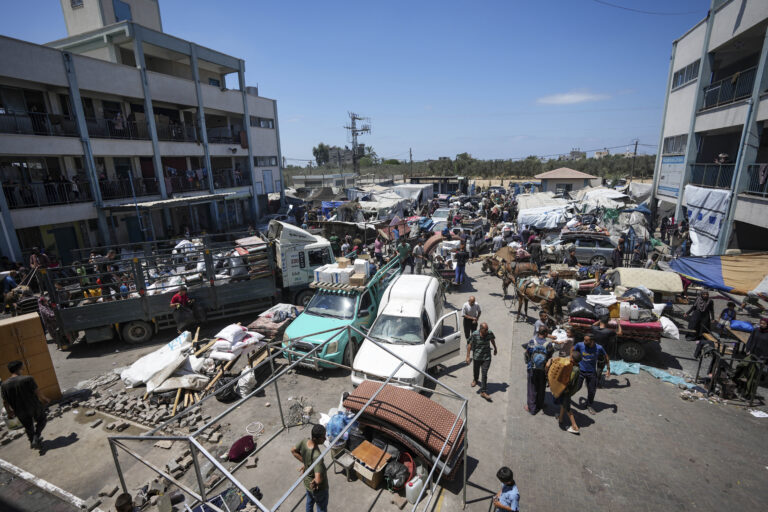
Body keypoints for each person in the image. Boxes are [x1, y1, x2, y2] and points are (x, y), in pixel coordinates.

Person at [1, 360, 50, 450]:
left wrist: (9, 412)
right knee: (42, 420)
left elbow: (5, 401)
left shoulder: (4, 385)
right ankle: (36, 436)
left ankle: (33, 442)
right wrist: (44, 399)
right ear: (19, 368)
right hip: (33, 406)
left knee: (28, 426)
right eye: (22, 364)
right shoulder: (28, 379)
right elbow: (37, 392)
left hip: (19, 410)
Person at [290, 424, 329, 512]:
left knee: (309, 502)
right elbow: (318, 480)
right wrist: (318, 480)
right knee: (321, 507)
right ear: (316, 439)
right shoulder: (316, 456)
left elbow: (293, 450)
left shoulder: (304, 441)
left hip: (307, 483)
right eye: (323, 437)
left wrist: (306, 463)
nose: (325, 439)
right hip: (319, 489)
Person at [547, 347, 583, 435]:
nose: (569, 359)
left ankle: (575, 427)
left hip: (567, 391)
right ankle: (561, 418)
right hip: (568, 390)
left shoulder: (574, 369)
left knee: (567, 408)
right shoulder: (577, 367)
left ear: (573, 360)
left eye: (570, 358)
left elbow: (568, 381)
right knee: (563, 404)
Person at [573, 334, 611, 415]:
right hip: (580, 371)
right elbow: (572, 350)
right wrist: (572, 361)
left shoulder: (599, 348)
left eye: (586, 340)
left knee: (592, 390)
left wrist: (608, 369)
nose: (584, 341)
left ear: (592, 341)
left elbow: (606, 356)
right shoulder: (580, 345)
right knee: (576, 387)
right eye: (584, 339)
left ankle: (589, 405)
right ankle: (566, 398)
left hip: (591, 373)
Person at [466, 322, 497, 401]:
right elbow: (469, 344)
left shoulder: (489, 333)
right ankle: (475, 380)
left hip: (486, 357)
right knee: (476, 370)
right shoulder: (475, 334)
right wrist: (468, 356)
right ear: (481, 329)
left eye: (487, 329)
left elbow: (492, 340)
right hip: (477, 356)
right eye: (485, 329)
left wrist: (495, 348)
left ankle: (483, 391)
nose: (487, 330)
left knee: (484, 373)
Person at [524, 327, 551, 414]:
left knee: (532, 388)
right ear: (546, 333)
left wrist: (528, 363)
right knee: (541, 387)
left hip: (532, 368)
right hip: (543, 370)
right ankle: (540, 404)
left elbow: (527, 353)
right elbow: (549, 357)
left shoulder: (532, 341)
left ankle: (532, 408)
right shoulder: (548, 344)